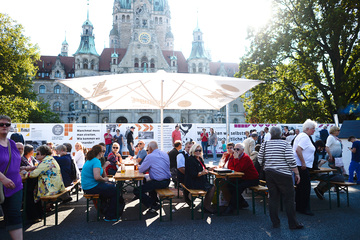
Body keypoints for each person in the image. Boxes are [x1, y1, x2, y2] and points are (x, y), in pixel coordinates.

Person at [258, 126, 303, 229]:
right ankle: (293, 223)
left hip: (269, 174)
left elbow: (260, 159)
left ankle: (275, 223)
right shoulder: (285, 144)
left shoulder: (265, 144)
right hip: (284, 175)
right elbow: (291, 160)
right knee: (289, 199)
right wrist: (297, 173)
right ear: (280, 134)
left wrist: (268, 166)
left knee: (273, 198)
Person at [81, 144, 121, 221]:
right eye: (103, 151)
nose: (104, 153)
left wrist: (104, 173)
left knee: (113, 186)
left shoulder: (91, 160)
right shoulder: (96, 161)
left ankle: (106, 210)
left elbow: (99, 172)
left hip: (88, 186)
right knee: (115, 190)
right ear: (99, 153)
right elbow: (97, 177)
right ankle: (110, 216)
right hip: (91, 187)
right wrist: (105, 180)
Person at [0, 115, 23, 240]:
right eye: (1, 124)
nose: (4, 126)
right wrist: (3, 178)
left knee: (14, 216)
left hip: (15, 186)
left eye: (7, 124)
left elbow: (15, 163)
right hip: (1, 185)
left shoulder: (12, 143)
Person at [135, 141, 171, 212]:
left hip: (158, 182)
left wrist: (138, 166)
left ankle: (153, 204)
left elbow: (141, 170)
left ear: (150, 148)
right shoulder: (164, 154)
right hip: (167, 181)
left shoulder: (150, 156)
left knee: (137, 190)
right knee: (149, 182)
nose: (147, 151)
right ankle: (155, 201)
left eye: (147, 149)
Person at [224, 143, 259, 215]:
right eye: (235, 149)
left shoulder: (245, 157)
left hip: (252, 179)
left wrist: (236, 158)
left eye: (238, 149)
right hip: (243, 178)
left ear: (243, 150)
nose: (235, 151)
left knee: (238, 187)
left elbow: (238, 169)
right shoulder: (233, 156)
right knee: (229, 185)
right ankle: (242, 202)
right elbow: (231, 167)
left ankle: (231, 207)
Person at [293, 119, 317, 216]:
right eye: (313, 129)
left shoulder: (301, 136)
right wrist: (303, 163)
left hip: (299, 165)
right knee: (305, 188)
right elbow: (298, 150)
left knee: (300, 188)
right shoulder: (305, 137)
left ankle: (300, 207)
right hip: (301, 166)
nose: (314, 131)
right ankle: (304, 208)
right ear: (307, 129)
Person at [185, 144, 216, 213]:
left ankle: (205, 205)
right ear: (192, 150)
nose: (198, 152)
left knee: (212, 185)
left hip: (199, 180)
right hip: (193, 182)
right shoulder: (190, 160)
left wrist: (209, 168)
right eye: (196, 150)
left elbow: (203, 168)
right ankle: (206, 206)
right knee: (212, 187)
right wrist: (202, 173)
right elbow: (193, 174)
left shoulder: (199, 158)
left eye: (199, 150)